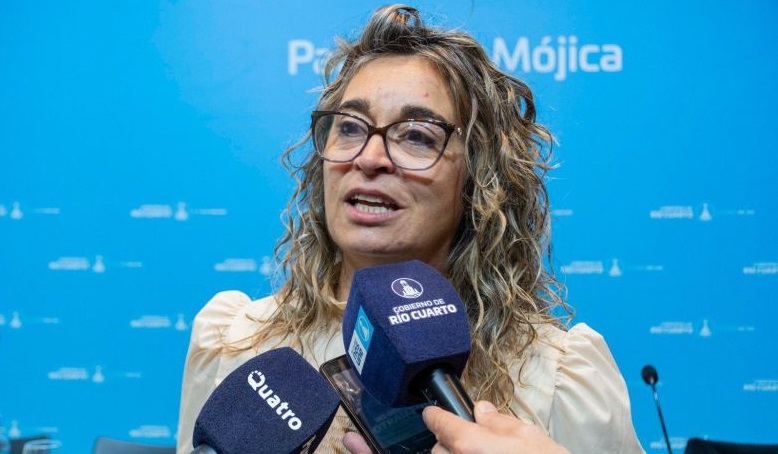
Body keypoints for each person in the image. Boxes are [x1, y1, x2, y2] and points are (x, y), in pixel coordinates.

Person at [176, 4, 645, 454]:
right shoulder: (235, 344)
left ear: (480, 181)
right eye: (350, 127)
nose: (369, 158)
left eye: (417, 135)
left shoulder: (558, 377)